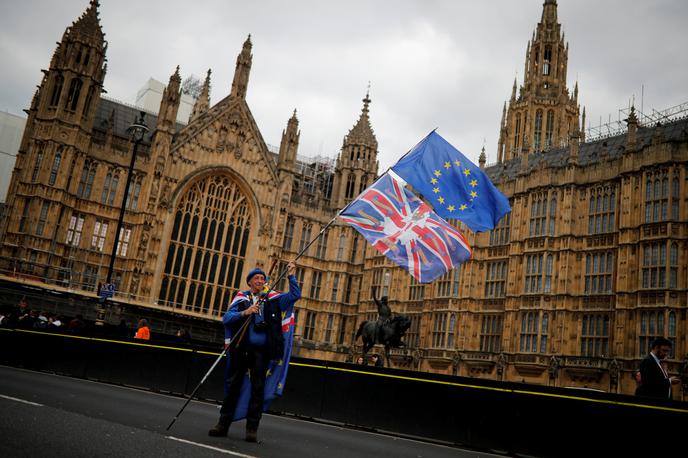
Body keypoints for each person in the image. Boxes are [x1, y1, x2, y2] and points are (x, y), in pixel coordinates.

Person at [209, 261, 301, 442]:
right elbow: (226, 318)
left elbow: (295, 295)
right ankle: (223, 424)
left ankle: (252, 428)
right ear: (249, 282)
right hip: (241, 349)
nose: (260, 280)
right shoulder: (241, 298)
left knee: (257, 389)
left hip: (261, 353)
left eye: (262, 278)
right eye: (256, 278)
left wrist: (291, 275)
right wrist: (245, 312)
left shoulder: (273, 299)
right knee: (234, 387)